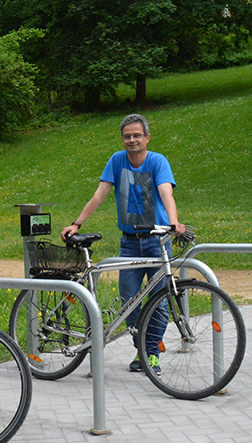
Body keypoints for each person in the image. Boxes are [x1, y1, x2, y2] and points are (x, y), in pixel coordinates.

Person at [61, 113, 185, 375]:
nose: (132, 140)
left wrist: (174, 222)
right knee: (129, 301)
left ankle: (150, 353)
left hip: (157, 242)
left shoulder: (157, 161)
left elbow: (166, 192)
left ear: (147, 138)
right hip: (129, 243)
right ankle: (141, 348)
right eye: (127, 136)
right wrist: (77, 223)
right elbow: (99, 194)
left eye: (137, 135)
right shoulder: (117, 161)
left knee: (160, 301)